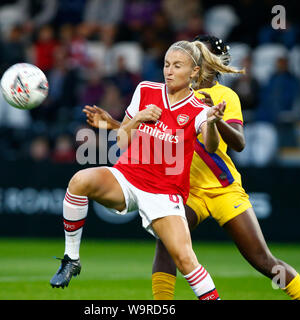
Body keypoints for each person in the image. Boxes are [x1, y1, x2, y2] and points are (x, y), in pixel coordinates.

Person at [83, 35, 300, 300]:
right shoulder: (170, 92)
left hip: (223, 189)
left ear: (207, 64)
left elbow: (238, 143)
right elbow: (151, 133)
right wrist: (115, 124)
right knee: (167, 247)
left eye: (198, 54)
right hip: (186, 190)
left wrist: (213, 117)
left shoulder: (224, 95)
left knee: (262, 259)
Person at [50, 39, 243, 300]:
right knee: (79, 180)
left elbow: (210, 147)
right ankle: (71, 259)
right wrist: (138, 118)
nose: (169, 71)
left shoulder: (198, 109)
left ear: (194, 72)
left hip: (164, 194)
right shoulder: (145, 90)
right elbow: (121, 141)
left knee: (186, 261)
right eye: (166, 64)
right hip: (127, 178)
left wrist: (212, 121)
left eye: (177, 65)